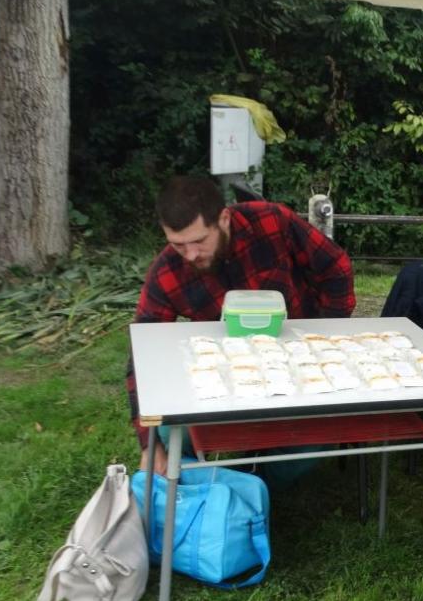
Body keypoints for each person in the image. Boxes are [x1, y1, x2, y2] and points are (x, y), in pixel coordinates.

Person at [127, 176, 355, 471]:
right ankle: (218, 485)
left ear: (223, 219)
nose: (190, 255)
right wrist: (149, 444)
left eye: (199, 241)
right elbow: (143, 354)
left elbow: (336, 266)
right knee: (170, 437)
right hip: (225, 377)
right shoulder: (167, 271)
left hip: (297, 367)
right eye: (178, 245)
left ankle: (252, 484)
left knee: (310, 445)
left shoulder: (272, 222)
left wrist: (323, 338)